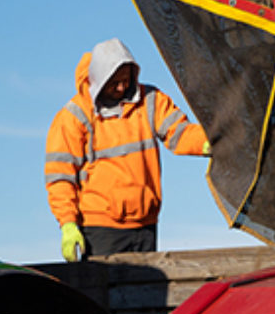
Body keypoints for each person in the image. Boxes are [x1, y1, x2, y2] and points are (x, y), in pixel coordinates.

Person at [44, 38, 209, 259]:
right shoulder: (73, 117)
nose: (122, 87)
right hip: (99, 229)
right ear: (99, 80)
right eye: (114, 82)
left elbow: (179, 133)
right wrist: (68, 223)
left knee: (149, 282)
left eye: (126, 80)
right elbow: (60, 177)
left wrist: (209, 143)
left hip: (146, 226)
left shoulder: (150, 100)